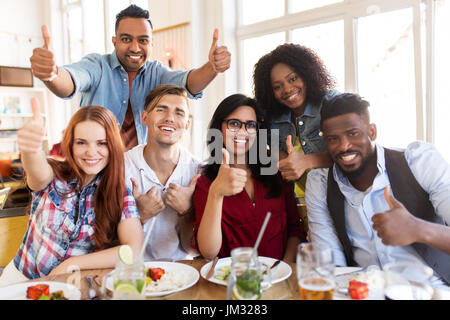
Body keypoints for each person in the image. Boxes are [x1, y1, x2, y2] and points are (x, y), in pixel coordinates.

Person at [29, 4, 231, 150]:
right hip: (96, 167)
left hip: (137, 173)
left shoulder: (156, 73)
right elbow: (72, 79)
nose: (135, 47)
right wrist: (52, 74)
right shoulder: (97, 65)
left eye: (143, 40)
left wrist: (211, 68)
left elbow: (187, 83)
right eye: (126, 39)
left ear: (152, 44)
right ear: (114, 41)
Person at [305, 92, 450, 286]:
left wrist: (418, 228)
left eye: (352, 133)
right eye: (333, 139)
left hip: (431, 292)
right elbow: (331, 265)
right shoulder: (320, 184)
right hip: (363, 293)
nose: (344, 146)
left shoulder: (419, 161)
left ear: (372, 132)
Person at [0, 100, 143, 286]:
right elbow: (37, 171)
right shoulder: (53, 174)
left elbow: (133, 250)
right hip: (20, 281)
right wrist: (30, 149)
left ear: (113, 147)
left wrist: (72, 263)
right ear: (70, 144)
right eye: (81, 142)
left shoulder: (120, 193)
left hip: (70, 285)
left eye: (102, 143)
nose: (91, 152)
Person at [193, 94, 305, 262]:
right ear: (219, 129)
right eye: (234, 123)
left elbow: (294, 229)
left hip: (277, 279)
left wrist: (283, 268)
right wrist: (216, 193)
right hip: (231, 281)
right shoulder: (206, 183)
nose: (243, 131)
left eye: (251, 125)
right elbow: (209, 252)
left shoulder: (275, 174)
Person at [125, 85, 202, 261]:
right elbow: (107, 245)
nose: (169, 118)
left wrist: (186, 212)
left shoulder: (198, 171)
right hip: (133, 271)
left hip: (182, 273)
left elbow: (195, 250)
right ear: (144, 117)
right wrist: (139, 216)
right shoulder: (121, 167)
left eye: (179, 113)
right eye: (161, 110)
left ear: (187, 124)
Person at [253, 43, 338, 192]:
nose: (287, 89)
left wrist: (306, 161)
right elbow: (260, 148)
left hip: (340, 197)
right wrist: (282, 158)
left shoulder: (332, 103)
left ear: (307, 74)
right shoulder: (271, 118)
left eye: (292, 79)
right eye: (277, 87)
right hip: (300, 202)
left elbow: (352, 150)